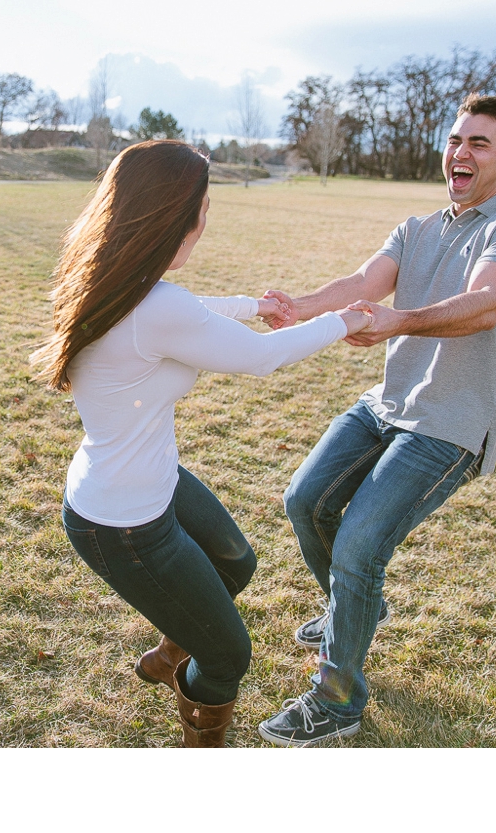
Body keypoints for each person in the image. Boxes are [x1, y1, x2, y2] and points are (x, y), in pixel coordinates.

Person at [30, 140, 370, 746]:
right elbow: (261, 357)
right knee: (227, 658)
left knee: (235, 563)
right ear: (175, 216)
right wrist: (347, 319)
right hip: (122, 523)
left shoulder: (112, 278)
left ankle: (165, 659)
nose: (205, 222)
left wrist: (256, 304)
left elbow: (186, 311)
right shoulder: (150, 301)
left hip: (147, 481)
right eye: (203, 207)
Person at [256, 93, 496, 746]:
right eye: (455, 139)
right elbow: (366, 280)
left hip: (450, 422)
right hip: (389, 402)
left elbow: (486, 301)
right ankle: (354, 607)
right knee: (306, 499)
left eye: (479, 142)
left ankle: (337, 702)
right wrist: (298, 306)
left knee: (361, 541)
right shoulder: (417, 227)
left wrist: (400, 319)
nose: (461, 152)